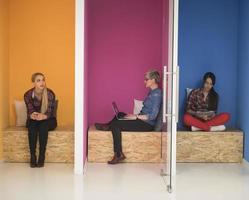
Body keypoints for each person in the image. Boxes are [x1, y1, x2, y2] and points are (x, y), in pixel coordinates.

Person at [95, 70, 162, 165]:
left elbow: (153, 116)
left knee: (116, 124)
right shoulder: (152, 92)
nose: (144, 81)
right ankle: (108, 126)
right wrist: (134, 116)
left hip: (147, 124)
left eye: (146, 79)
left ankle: (118, 154)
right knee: (120, 114)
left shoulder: (156, 94)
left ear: (153, 80)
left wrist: (136, 117)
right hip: (142, 120)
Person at [24, 72, 57, 168]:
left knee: (43, 124)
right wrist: (34, 115)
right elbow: (30, 110)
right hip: (34, 119)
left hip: (49, 120)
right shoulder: (28, 94)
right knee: (32, 125)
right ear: (33, 83)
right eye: (38, 80)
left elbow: (50, 112)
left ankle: (41, 156)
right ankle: (33, 156)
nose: (42, 82)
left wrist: (43, 116)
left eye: (43, 80)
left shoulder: (50, 93)